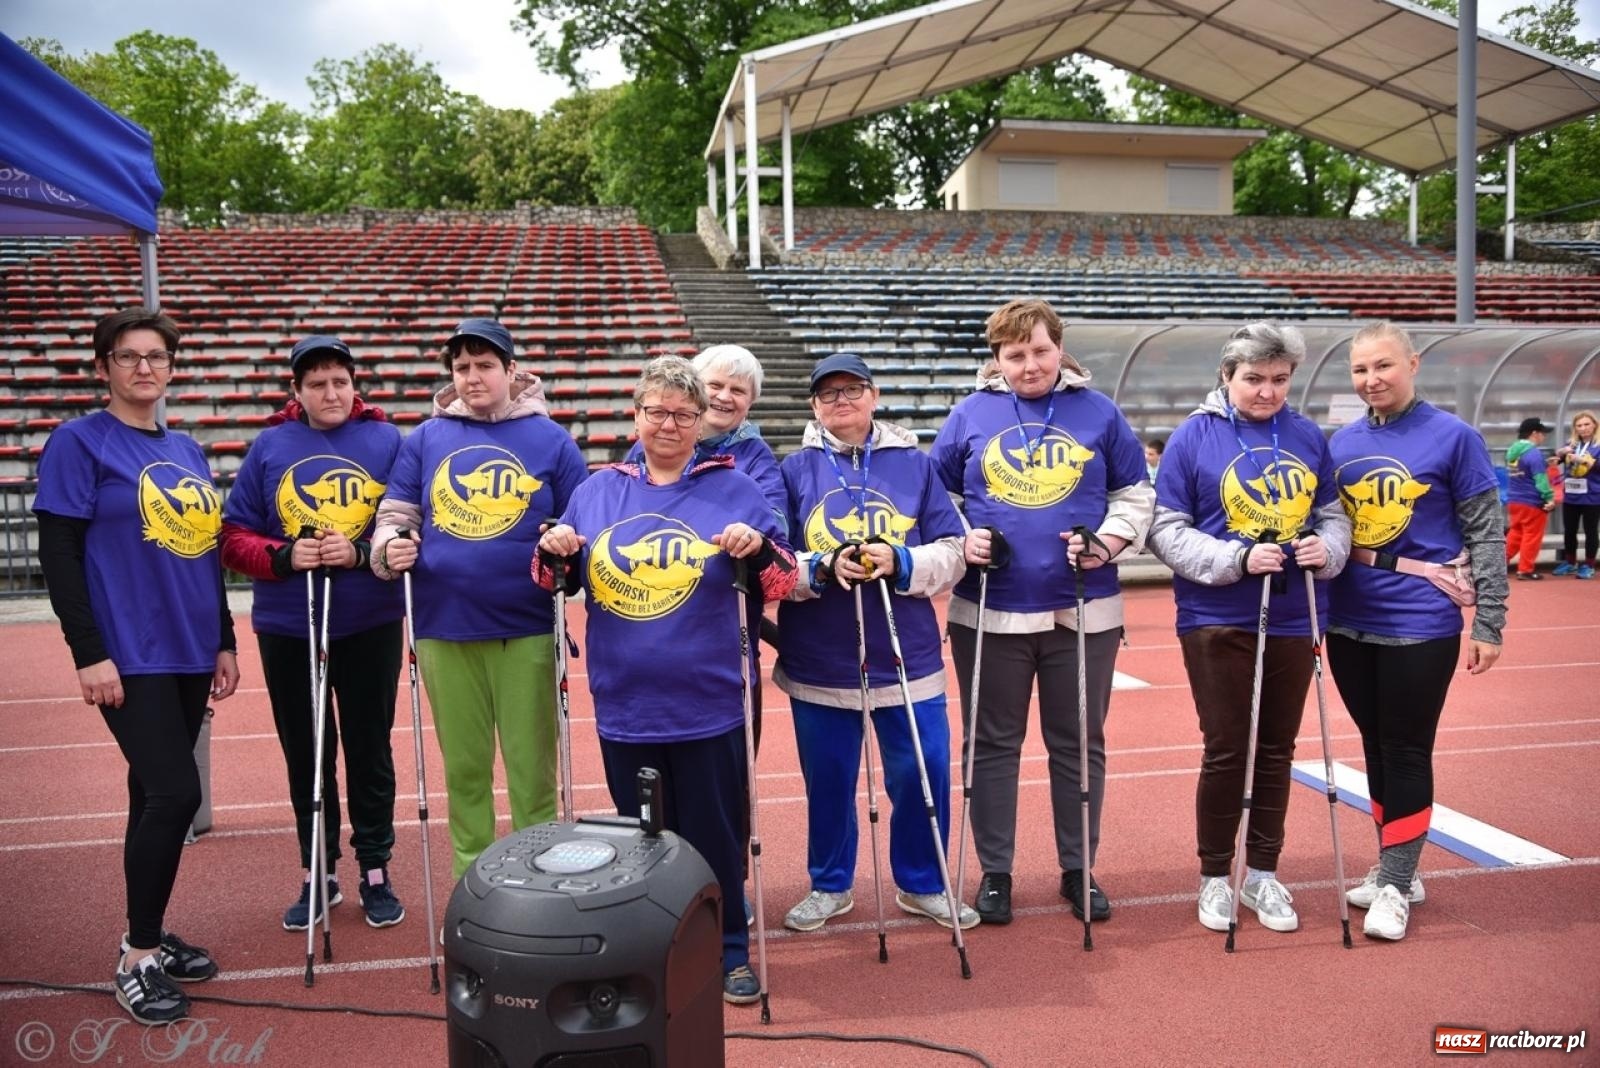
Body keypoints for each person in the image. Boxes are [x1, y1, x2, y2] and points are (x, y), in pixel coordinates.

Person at [533, 355, 795, 1005]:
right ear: (637, 415)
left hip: (709, 703)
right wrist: (552, 555)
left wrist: (757, 549)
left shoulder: (734, 488)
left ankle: (730, 950)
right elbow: (549, 583)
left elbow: (785, 579)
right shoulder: (596, 491)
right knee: (643, 842)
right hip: (626, 703)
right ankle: (655, 950)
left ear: (701, 420)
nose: (669, 425)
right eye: (657, 412)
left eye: (683, 414)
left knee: (715, 837)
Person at [34, 309, 240, 1023]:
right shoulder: (77, 443)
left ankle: (142, 931)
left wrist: (223, 639)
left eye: (156, 356)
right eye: (128, 356)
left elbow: (204, 549)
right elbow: (58, 557)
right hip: (129, 651)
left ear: (172, 368)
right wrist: (88, 651)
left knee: (148, 794)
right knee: (176, 795)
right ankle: (139, 957)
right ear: (104, 368)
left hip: (187, 648)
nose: (144, 368)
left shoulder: (186, 448)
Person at [930, 298, 1152, 925]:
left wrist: (1107, 543)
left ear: (1060, 348)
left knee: (1079, 743)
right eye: (1015, 354)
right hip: (990, 609)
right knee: (992, 744)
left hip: (1084, 611)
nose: (1030, 365)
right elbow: (938, 496)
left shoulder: (1100, 412)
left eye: (1040, 350)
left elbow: (1134, 494)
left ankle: (1078, 869)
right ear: (997, 360)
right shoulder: (969, 414)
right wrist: (965, 536)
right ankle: (995, 873)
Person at [1147, 321, 1349, 936]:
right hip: (1217, 617)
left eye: (1279, 380)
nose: (1267, 391)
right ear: (1228, 376)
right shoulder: (1192, 436)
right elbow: (1164, 528)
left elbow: (1333, 513)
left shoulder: (1308, 434)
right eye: (1254, 379)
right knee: (1228, 745)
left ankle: (1263, 871)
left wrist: (1327, 549)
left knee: (1278, 748)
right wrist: (1233, 559)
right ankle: (1215, 874)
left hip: (1294, 613)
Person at [370, 319, 588, 880]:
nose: (473, 377)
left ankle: (536, 884)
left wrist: (566, 544)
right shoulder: (425, 439)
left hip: (530, 629)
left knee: (531, 772)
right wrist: (389, 546)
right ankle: (476, 883)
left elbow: (583, 520)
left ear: (512, 372)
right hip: (445, 629)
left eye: (485, 365)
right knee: (464, 771)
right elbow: (395, 515)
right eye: (462, 367)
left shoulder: (552, 440)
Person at [776, 353, 976, 933]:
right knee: (830, 779)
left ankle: (923, 882)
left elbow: (955, 548)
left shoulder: (915, 466)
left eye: (853, 389)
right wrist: (821, 565)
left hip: (905, 653)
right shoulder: (793, 471)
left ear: (874, 395)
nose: (842, 400)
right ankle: (830, 884)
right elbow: (776, 560)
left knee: (923, 769)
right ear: (814, 405)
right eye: (828, 393)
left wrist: (903, 559)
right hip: (820, 657)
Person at [1327, 321, 1507, 941]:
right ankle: (1394, 865)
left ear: (1413, 363)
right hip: (1348, 617)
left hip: (1420, 620)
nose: (1371, 380)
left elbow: (1485, 531)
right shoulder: (1340, 443)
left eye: (1383, 366)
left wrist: (1490, 620)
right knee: (1375, 744)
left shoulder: (1454, 437)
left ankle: (1397, 885)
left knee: (1406, 748)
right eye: (1359, 370)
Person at [220, 335, 406, 931]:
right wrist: (282, 555)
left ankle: (374, 866)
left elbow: (404, 526)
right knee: (308, 752)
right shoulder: (272, 446)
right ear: (296, 391)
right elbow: (232, 536)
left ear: (356, 385)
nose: (331, 392)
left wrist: (357, 552)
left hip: (369, 622)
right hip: (290, 625)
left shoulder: (385, 440)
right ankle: (317, 868)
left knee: (370, 749)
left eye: (340, 381)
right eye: (317, 382)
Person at [1505, 417, 1556, 580]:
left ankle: (1497, 565)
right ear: (1534, 433)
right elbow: (1540, 479)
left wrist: (1544, 463)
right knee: (1532, 536)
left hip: (1514, 499)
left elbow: (1523, 471)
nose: (1544, 437)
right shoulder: (1534, 453)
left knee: (1515, 533)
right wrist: (1549, 498)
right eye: (1542, 433)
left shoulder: (1513, 450)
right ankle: (1525, 569)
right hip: (1532, 501)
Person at [1551, 410, 1598, 579]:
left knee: (1590, 531)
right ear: (1575, 428)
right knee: (1569, 530)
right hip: (1571, 495)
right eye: (1579, 425)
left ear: (1594, 425)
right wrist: (1559, 453)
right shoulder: (1571, 443)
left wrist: (1585, 461)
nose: (1583, 428)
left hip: (1592, 495)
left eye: (1587, 424)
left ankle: (1589, 565)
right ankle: (1570, 562)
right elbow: (1555, 460)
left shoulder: (1598, 445)